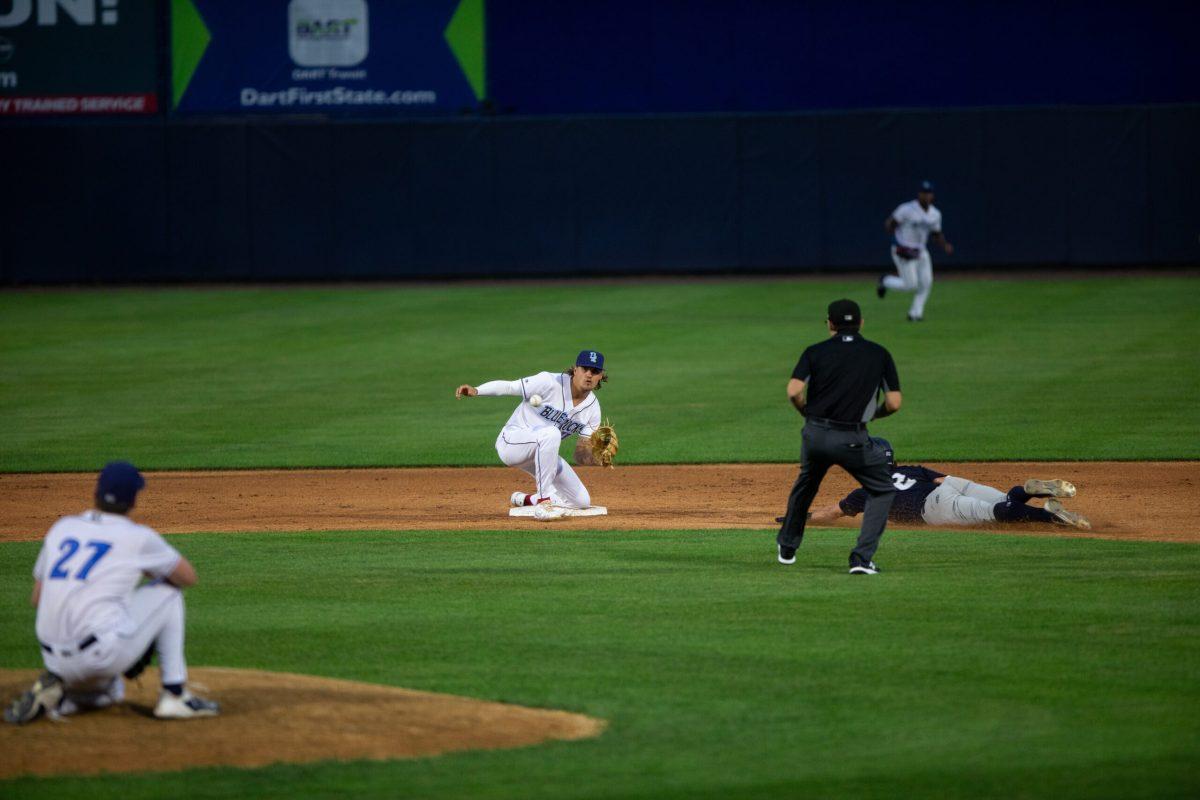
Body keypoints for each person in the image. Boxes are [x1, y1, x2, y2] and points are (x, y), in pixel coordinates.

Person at [4, 461, 219, 725]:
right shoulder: (137, 537)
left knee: (112, 692)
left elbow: (38, 598)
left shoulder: (63, 528)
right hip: (99, 656)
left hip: (53, 658)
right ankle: (175, 695)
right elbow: (187, 577)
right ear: (133, 500)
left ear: (96, 493)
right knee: (169, 593)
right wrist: (146, 570)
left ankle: (65, 695)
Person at [777, 299, 901, 575]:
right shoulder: (878, 354)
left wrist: (807, 413)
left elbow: (793, 391)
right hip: (853, 438)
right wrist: (873, 416)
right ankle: (861, 559)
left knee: (806, 486)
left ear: (830, 324)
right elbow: (894, 402)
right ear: (861, 323)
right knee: (881, 490)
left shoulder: (815, 352)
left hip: (816, 434)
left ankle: (787, 545)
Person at [779, 438, 1092, 531]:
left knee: (1000, 514)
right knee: (1007, 501)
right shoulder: (912, 469)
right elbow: (944, 480)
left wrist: (799, 518)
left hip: (935, 507)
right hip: (950, 486)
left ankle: (1052, 515)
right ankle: (1028, 491)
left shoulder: (866, 490)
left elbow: (831, 513)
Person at [456, 350, 607, 520]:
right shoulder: (549, 382)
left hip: (544, 454)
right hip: (512, 443)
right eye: (585, 369)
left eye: (594, 371)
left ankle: (527, 499)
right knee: (551, 433)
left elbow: (581, 455)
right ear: (575, 370)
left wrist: (597, 454)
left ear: (601, 376)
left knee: (581, 501)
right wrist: (477, 390)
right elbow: (509, 387)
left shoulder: (593, 410)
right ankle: (544, 503)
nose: (589, 375)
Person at [877, 180, 954, 321]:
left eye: (928, 193)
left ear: (932, 195)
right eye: (924, 193)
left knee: (926, 282)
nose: (926, 196)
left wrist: (945, 245)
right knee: (910, 285)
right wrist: (898, 242)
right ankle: (885, 280)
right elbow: (889, 225)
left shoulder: (935, 214)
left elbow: (936, 234)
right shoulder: (906, 209)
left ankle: (915, 314)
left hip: (921, 251)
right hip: (903, 250)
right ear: (919, 194)